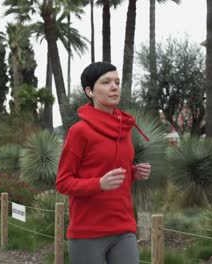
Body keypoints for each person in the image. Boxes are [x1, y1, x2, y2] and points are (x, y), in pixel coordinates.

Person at [56, 62, 152, 264]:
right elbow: (63, 182)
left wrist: (133, 173)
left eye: (117, 82)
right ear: (90, 91)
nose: (115, 87)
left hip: (123, 227)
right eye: (106, 82)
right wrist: (98, 184)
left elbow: (111, 170)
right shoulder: (80, 132)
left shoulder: (124, 129)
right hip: (87, 233)